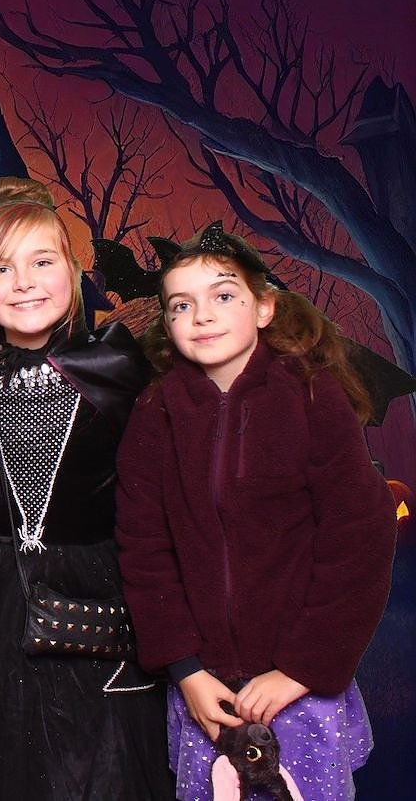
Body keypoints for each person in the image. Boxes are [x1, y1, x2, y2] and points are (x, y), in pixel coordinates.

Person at [0, 162, 174, 797]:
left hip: (90, 589)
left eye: (42, 262)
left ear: (75, 275)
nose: (23, 283)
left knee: (93, 764)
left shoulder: (117, 362)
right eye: (1, 269)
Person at [116, 224, 396, 801]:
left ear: (264, 308)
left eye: (223, 296)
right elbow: (144, 548)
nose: (202, 315)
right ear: (167, 323)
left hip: (298, 681)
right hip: (206, 686)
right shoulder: (155, 412)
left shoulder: (314, 398)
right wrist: (184, 668)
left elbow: (359, 541)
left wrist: (301, 668)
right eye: (181, 305)